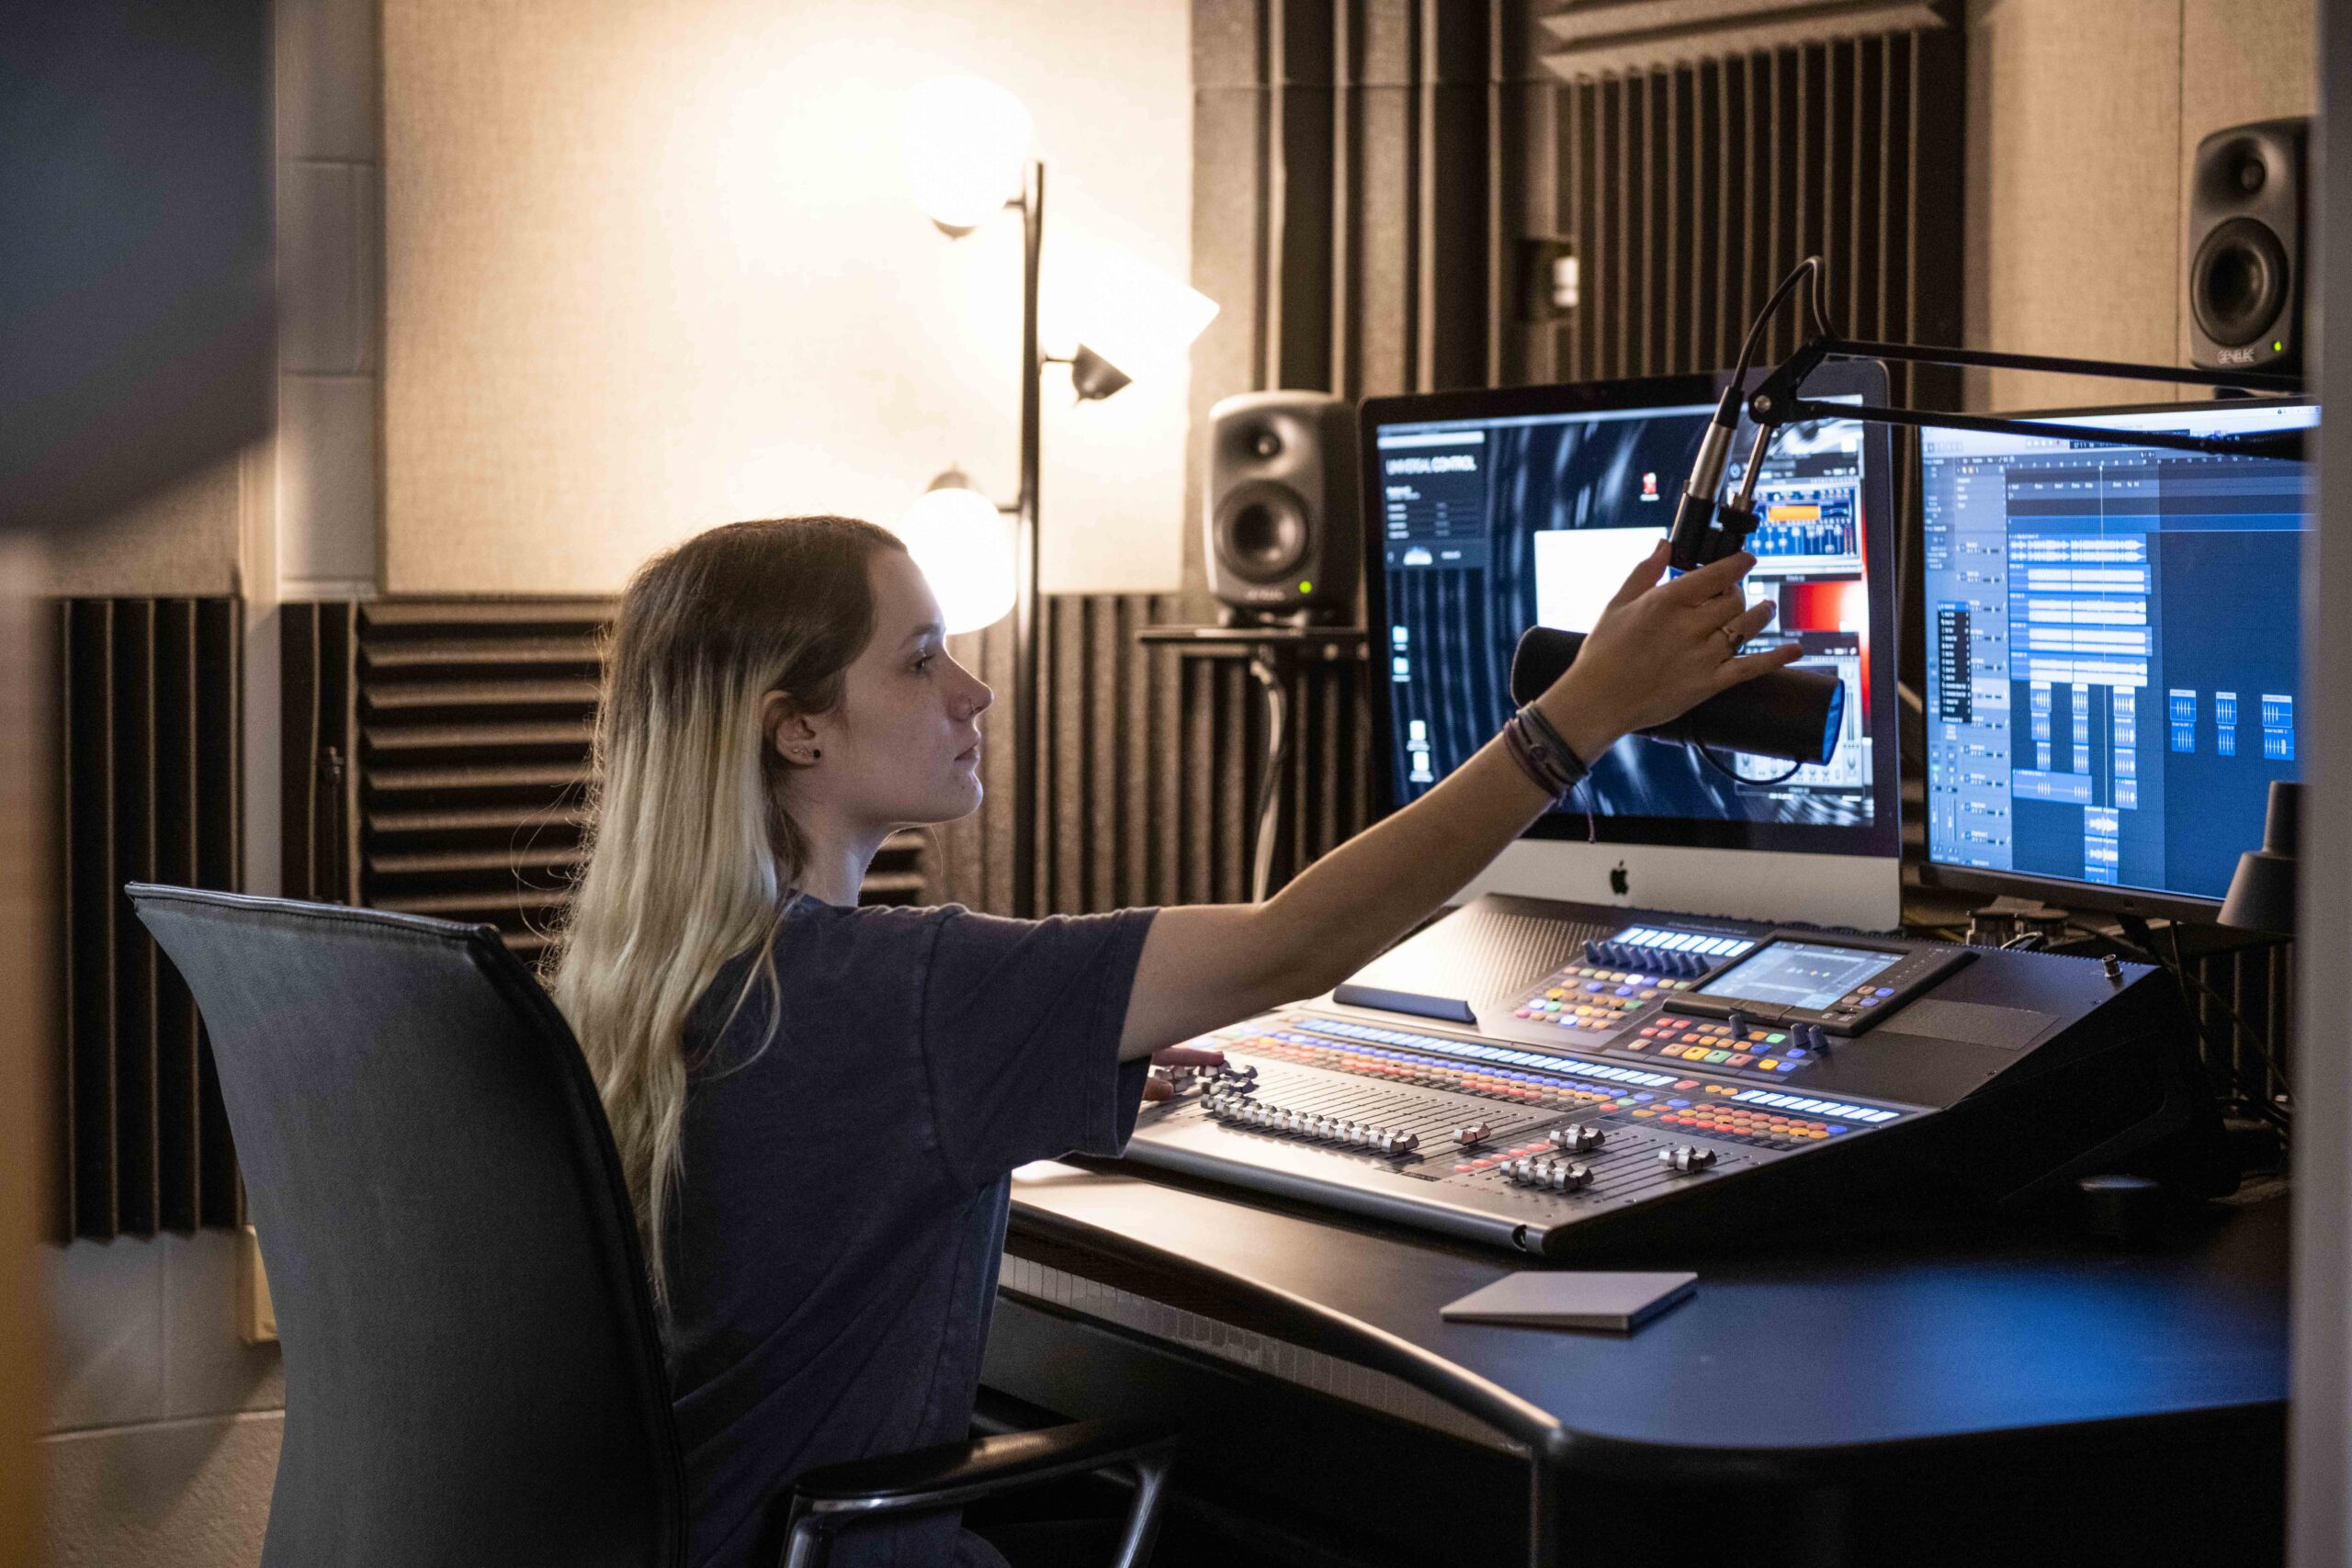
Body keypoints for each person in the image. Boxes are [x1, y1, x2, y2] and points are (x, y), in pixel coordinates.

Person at [548, 514, 1795, 1568]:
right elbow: (1293, 945)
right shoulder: (895, 989)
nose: (971, 690)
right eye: (922, 661)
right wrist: (1579, 717)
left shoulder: (660, 982)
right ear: (798, 730)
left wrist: (1054, 1067)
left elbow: (844, 1149)